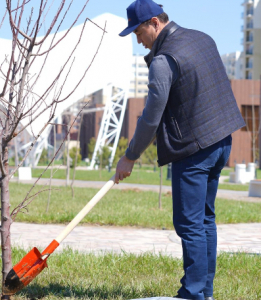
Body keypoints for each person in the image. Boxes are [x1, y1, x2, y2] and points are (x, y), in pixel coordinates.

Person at [116, 0, 245, 299]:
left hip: (194, 149)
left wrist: (130, 155)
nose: (138, 40)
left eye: (138, 31)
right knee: (204, 220)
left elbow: (151, 117)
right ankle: (205, 291)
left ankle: (194, 293)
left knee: (189, 224)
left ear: (154, 23)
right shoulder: (202, 37)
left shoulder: (163, 59)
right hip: (222, 141)